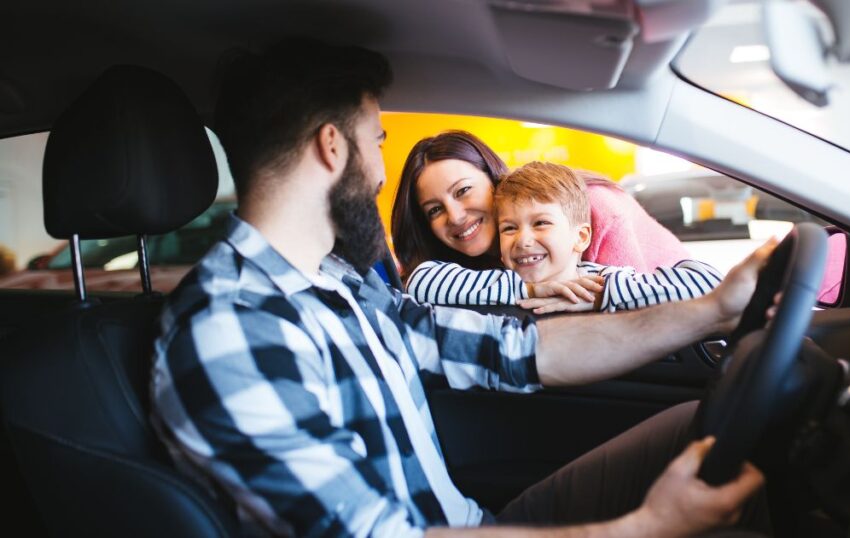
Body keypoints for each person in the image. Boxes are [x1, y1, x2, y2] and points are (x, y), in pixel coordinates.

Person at [151, 38, 773, 537]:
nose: (381, 172)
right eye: (378, 143)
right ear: (332, 147)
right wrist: (645, 528)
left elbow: (517, 350)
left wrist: (714, 309)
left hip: (477, 523)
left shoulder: (342, 286)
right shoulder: (230, 328)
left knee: (702, 426)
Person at [407, 161, 723, 314]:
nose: (523, 239)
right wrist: (530, 288)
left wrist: (601, 296)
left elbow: (707, 282)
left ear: (581, 236)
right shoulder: (496, 284)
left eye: (541, 223)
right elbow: (421, 280)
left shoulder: (600, 280)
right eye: (509, 228)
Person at [391, 130, 692, 278]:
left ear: (493, 177)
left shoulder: (595, 207)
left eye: (463, 191)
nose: (455, 216)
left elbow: (637, 314)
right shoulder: (462, 273)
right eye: (434, 210)